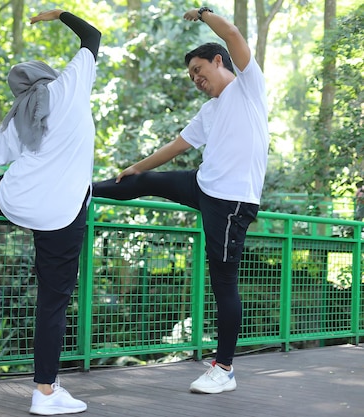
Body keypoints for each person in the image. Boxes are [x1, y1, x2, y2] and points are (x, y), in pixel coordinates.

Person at [92, 7, 269, 394]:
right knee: (144, 181)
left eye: (198, 70)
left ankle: (224, 369)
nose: (195, 79)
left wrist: (205, 14)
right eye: (190, 75)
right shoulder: (209, 111)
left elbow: (236, 36)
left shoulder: (247, 87)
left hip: (232, 201)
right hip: (203, 185)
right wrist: (134, 167)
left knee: (224, 283)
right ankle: (84, 190)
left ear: (217, 60)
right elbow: (177, 145)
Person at [0, 9, 101, 415]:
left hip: (18, 199)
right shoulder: (68, 86)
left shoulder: (18, 115)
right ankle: (45, 391)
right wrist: (60, 14)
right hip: (62, 214)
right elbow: (92, 37)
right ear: (45, 73)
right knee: (53, 302)